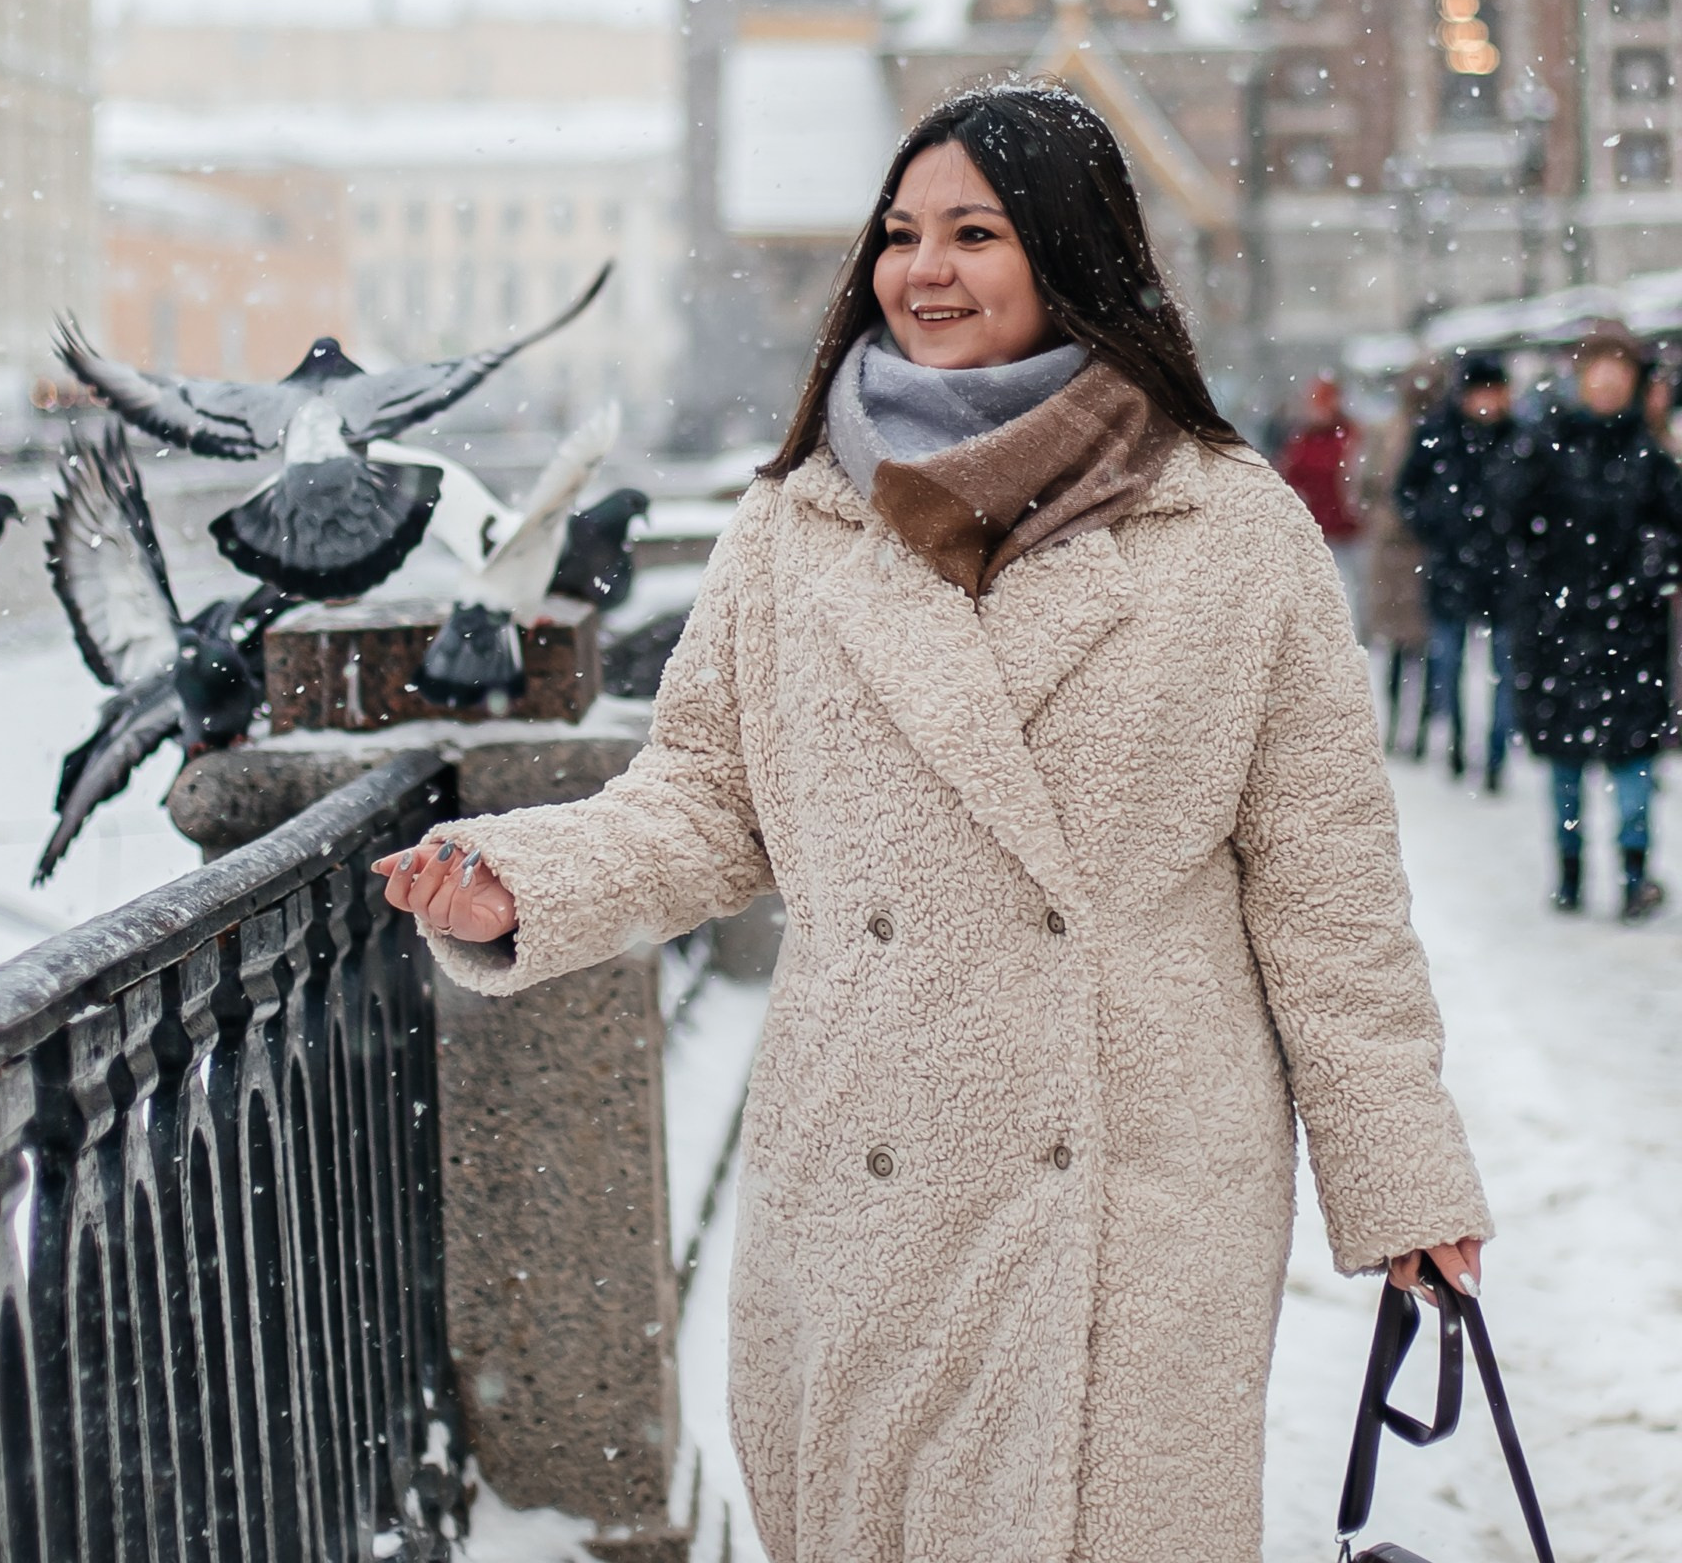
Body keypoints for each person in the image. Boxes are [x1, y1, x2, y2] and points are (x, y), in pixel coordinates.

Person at [375, 85, 1489, 1562]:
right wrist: (520, 881)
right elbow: (706, 794)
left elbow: (1327, 894)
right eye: (901, 234)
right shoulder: (797, 526)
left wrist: (1401, 1177)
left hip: (1140, 1182)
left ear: (1073, 255)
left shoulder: (1230, 531)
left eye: (976, 231)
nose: (926, 270)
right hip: (867, 1174)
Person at [1497, 320, 1682, 918]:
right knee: (1567, 770)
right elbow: (1508, 520)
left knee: (1632, 768)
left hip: (1633, 633)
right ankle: (1570, 874)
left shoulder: (1651, 456)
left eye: (1618, 371)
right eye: (1596, 370)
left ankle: (1634, 877)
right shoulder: (1547, 445)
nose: (1606, 383)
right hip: (1560, 633)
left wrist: (1654, 564)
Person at [1395, 353, 1519, 787]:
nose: (1487, 403)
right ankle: (1457, 745)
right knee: (1449, 667)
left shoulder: (1518, 439)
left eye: (1494, 392)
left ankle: (1495, 755)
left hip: (1505, 575)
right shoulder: (1438, 436)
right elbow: (1406, 491)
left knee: (1504, 672)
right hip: (1452, 569)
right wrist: (1437, 524)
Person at [1359, 365, 1438, 752]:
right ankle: (1399, 723)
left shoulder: (1438, 433)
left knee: (1420, 649)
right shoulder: (1386, 431)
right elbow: (1363, 485)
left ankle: (1420, 724)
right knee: (1399, 648)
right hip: (1394, 551)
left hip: (1423, 550)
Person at [1276, 370, 1366, 624]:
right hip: (1318, 531)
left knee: (1357, 596)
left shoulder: (1352, 435)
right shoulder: (1302, 441)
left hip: (1353, 530)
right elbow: (1290, 481)